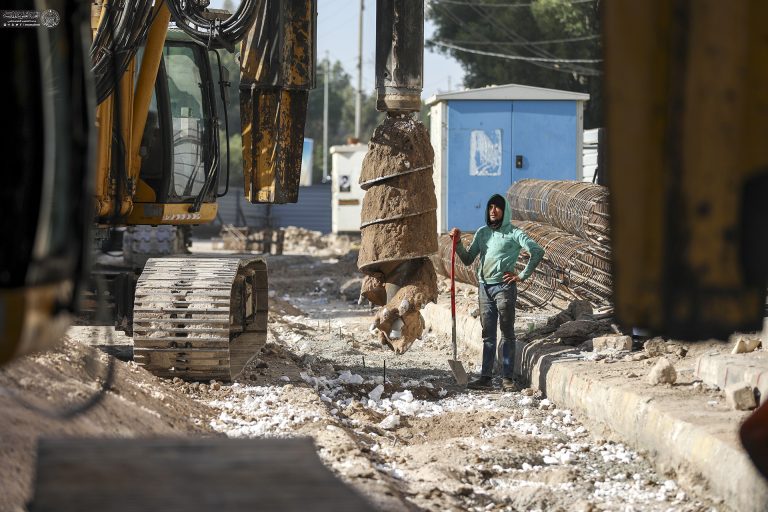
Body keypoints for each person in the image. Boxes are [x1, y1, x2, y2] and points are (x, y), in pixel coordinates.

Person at [449, 194, 544, 391]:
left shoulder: (514, 233)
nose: (493, 211)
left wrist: (522, 275)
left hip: (504, 288)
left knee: (507, 333)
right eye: (490, 207)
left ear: (505, 210)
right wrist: (457, 243)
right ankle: (485, 378)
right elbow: (467, 259)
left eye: (497, 207)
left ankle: (507, 378)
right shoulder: (482, 233)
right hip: (484, 288)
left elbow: (537, 250)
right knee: (488, 335)